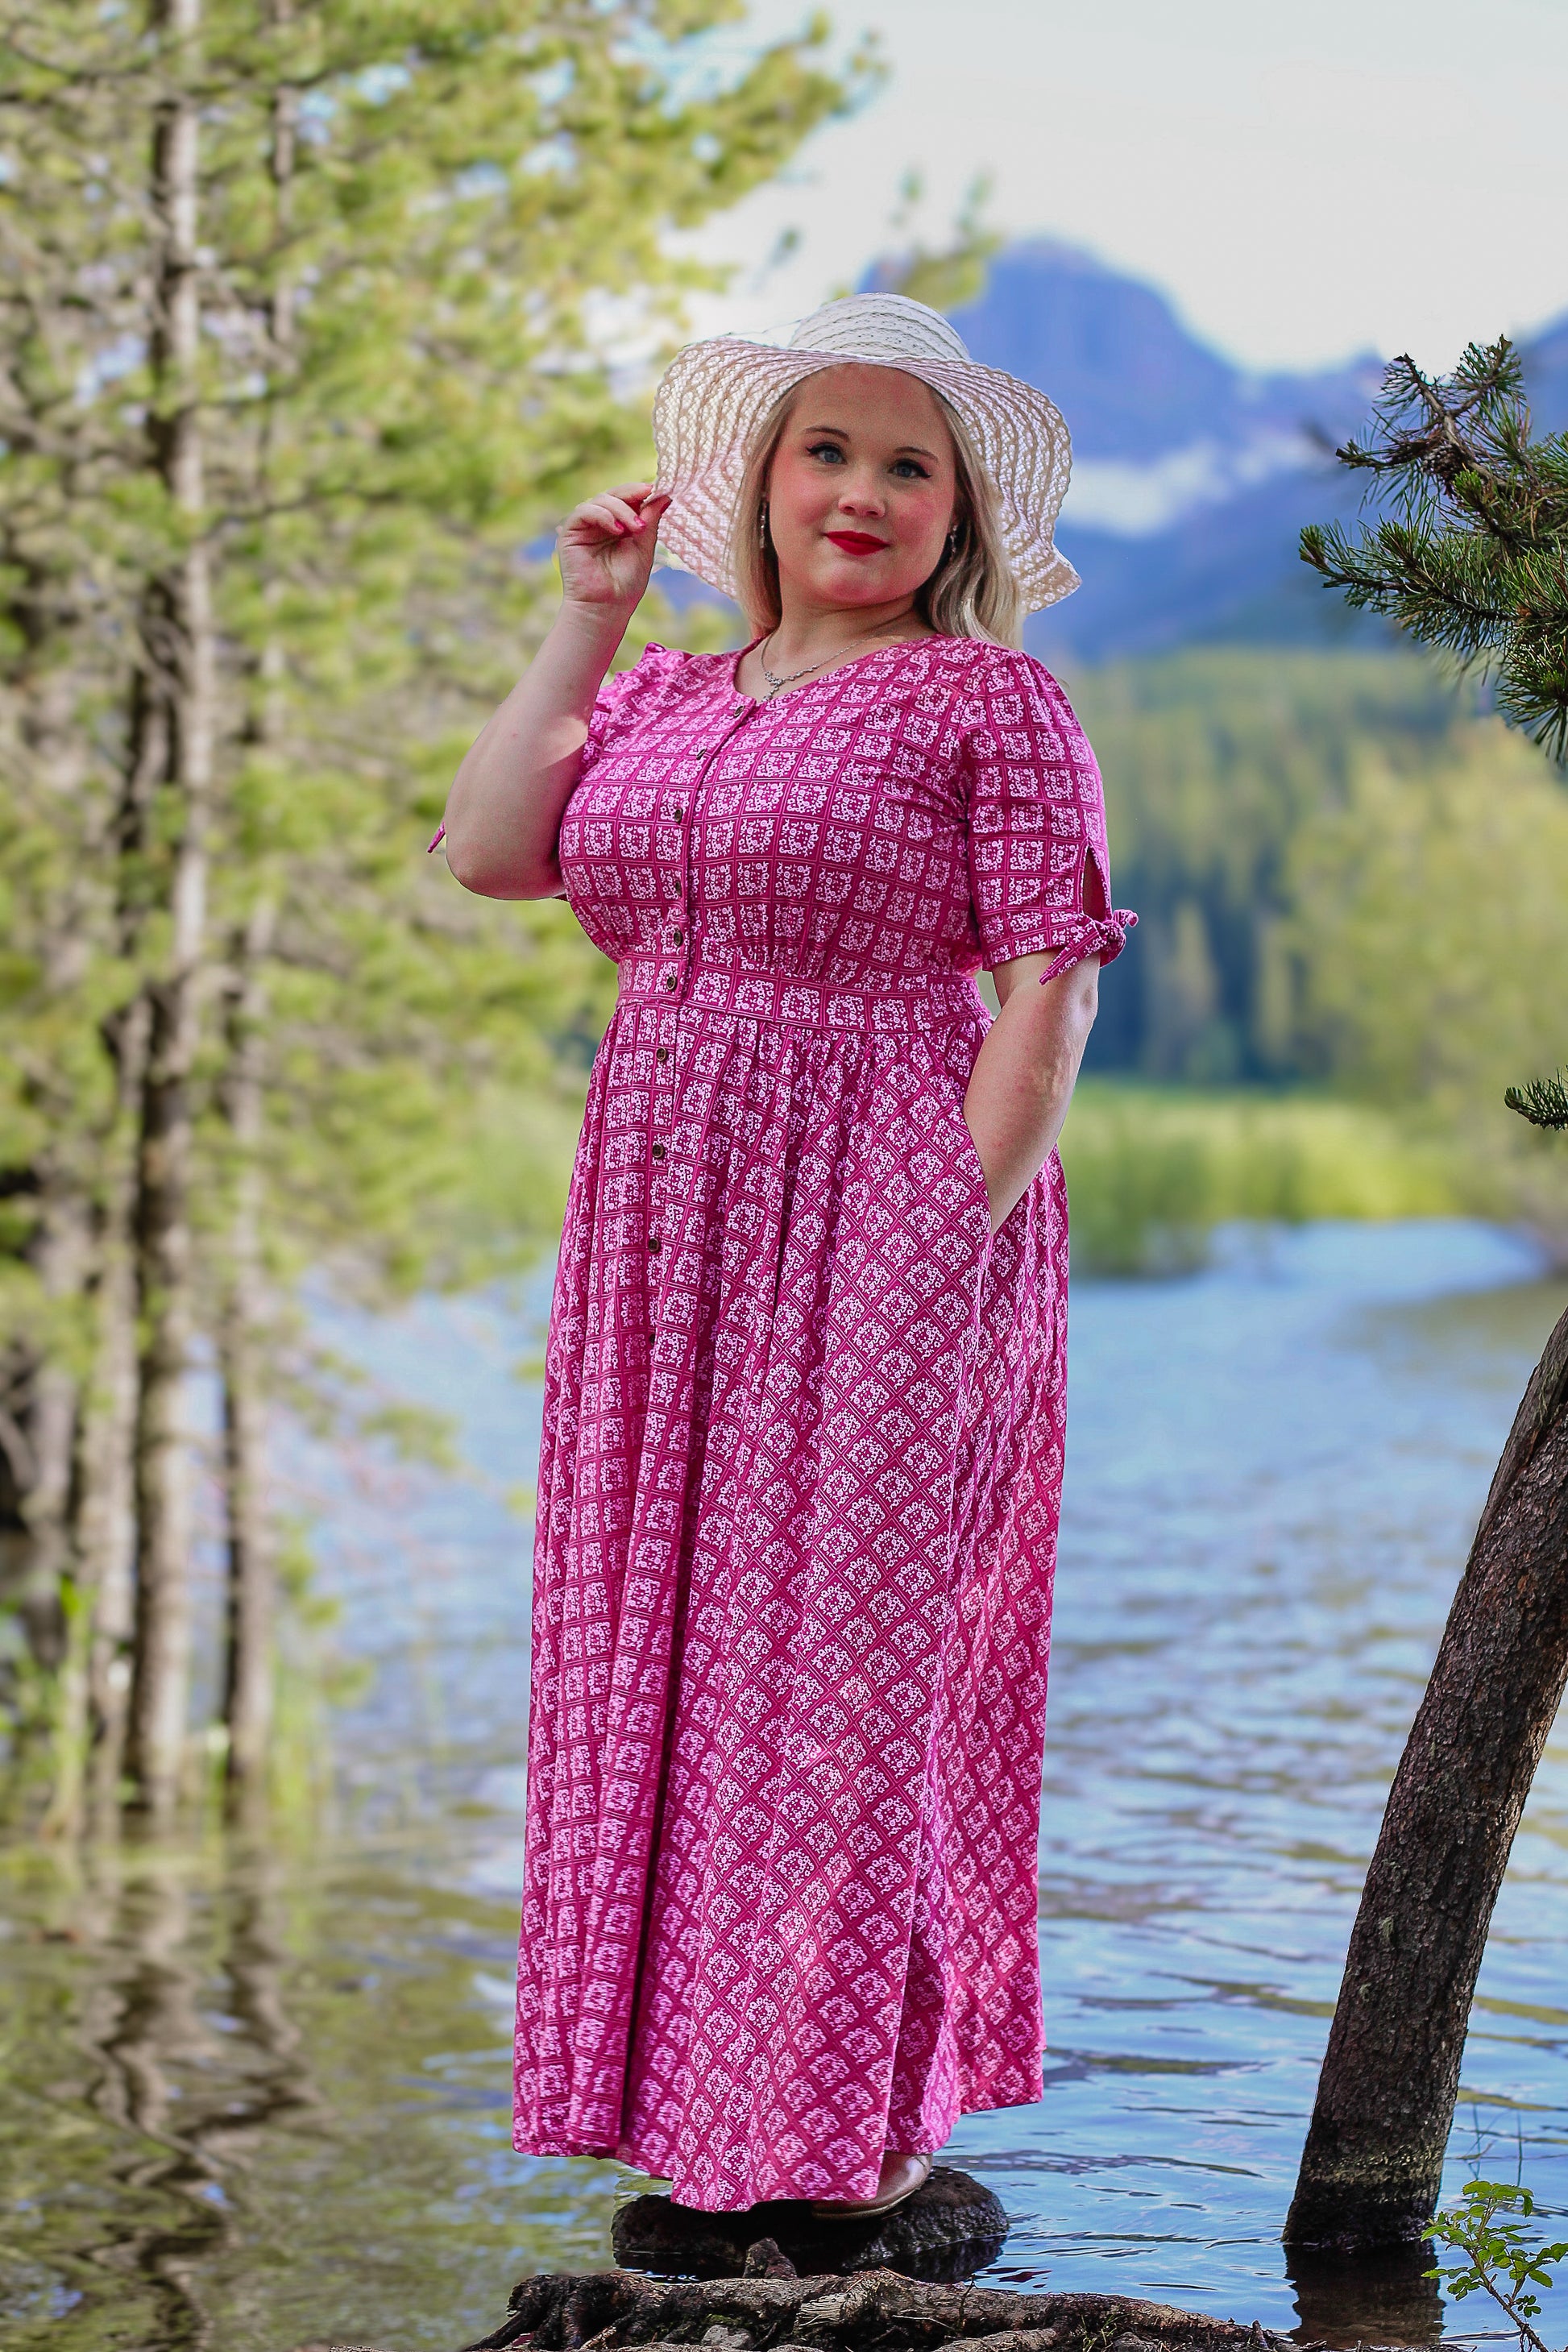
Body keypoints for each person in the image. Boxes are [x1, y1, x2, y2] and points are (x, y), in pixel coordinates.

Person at [438, 292, 1135, 2221]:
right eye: (826, 449)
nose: (862, 490)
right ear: (756, 479)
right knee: (652, 1642)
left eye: (910, 466)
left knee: (847, 1664)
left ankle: (852, 2136)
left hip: (893, 1193)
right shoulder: (660, 687)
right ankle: (706, 2130)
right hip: (664, 1217)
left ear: (959, 518)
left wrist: (945, 1229)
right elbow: (493, 848)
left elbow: (1048, 983)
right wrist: (583, 605)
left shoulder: (989, 698)